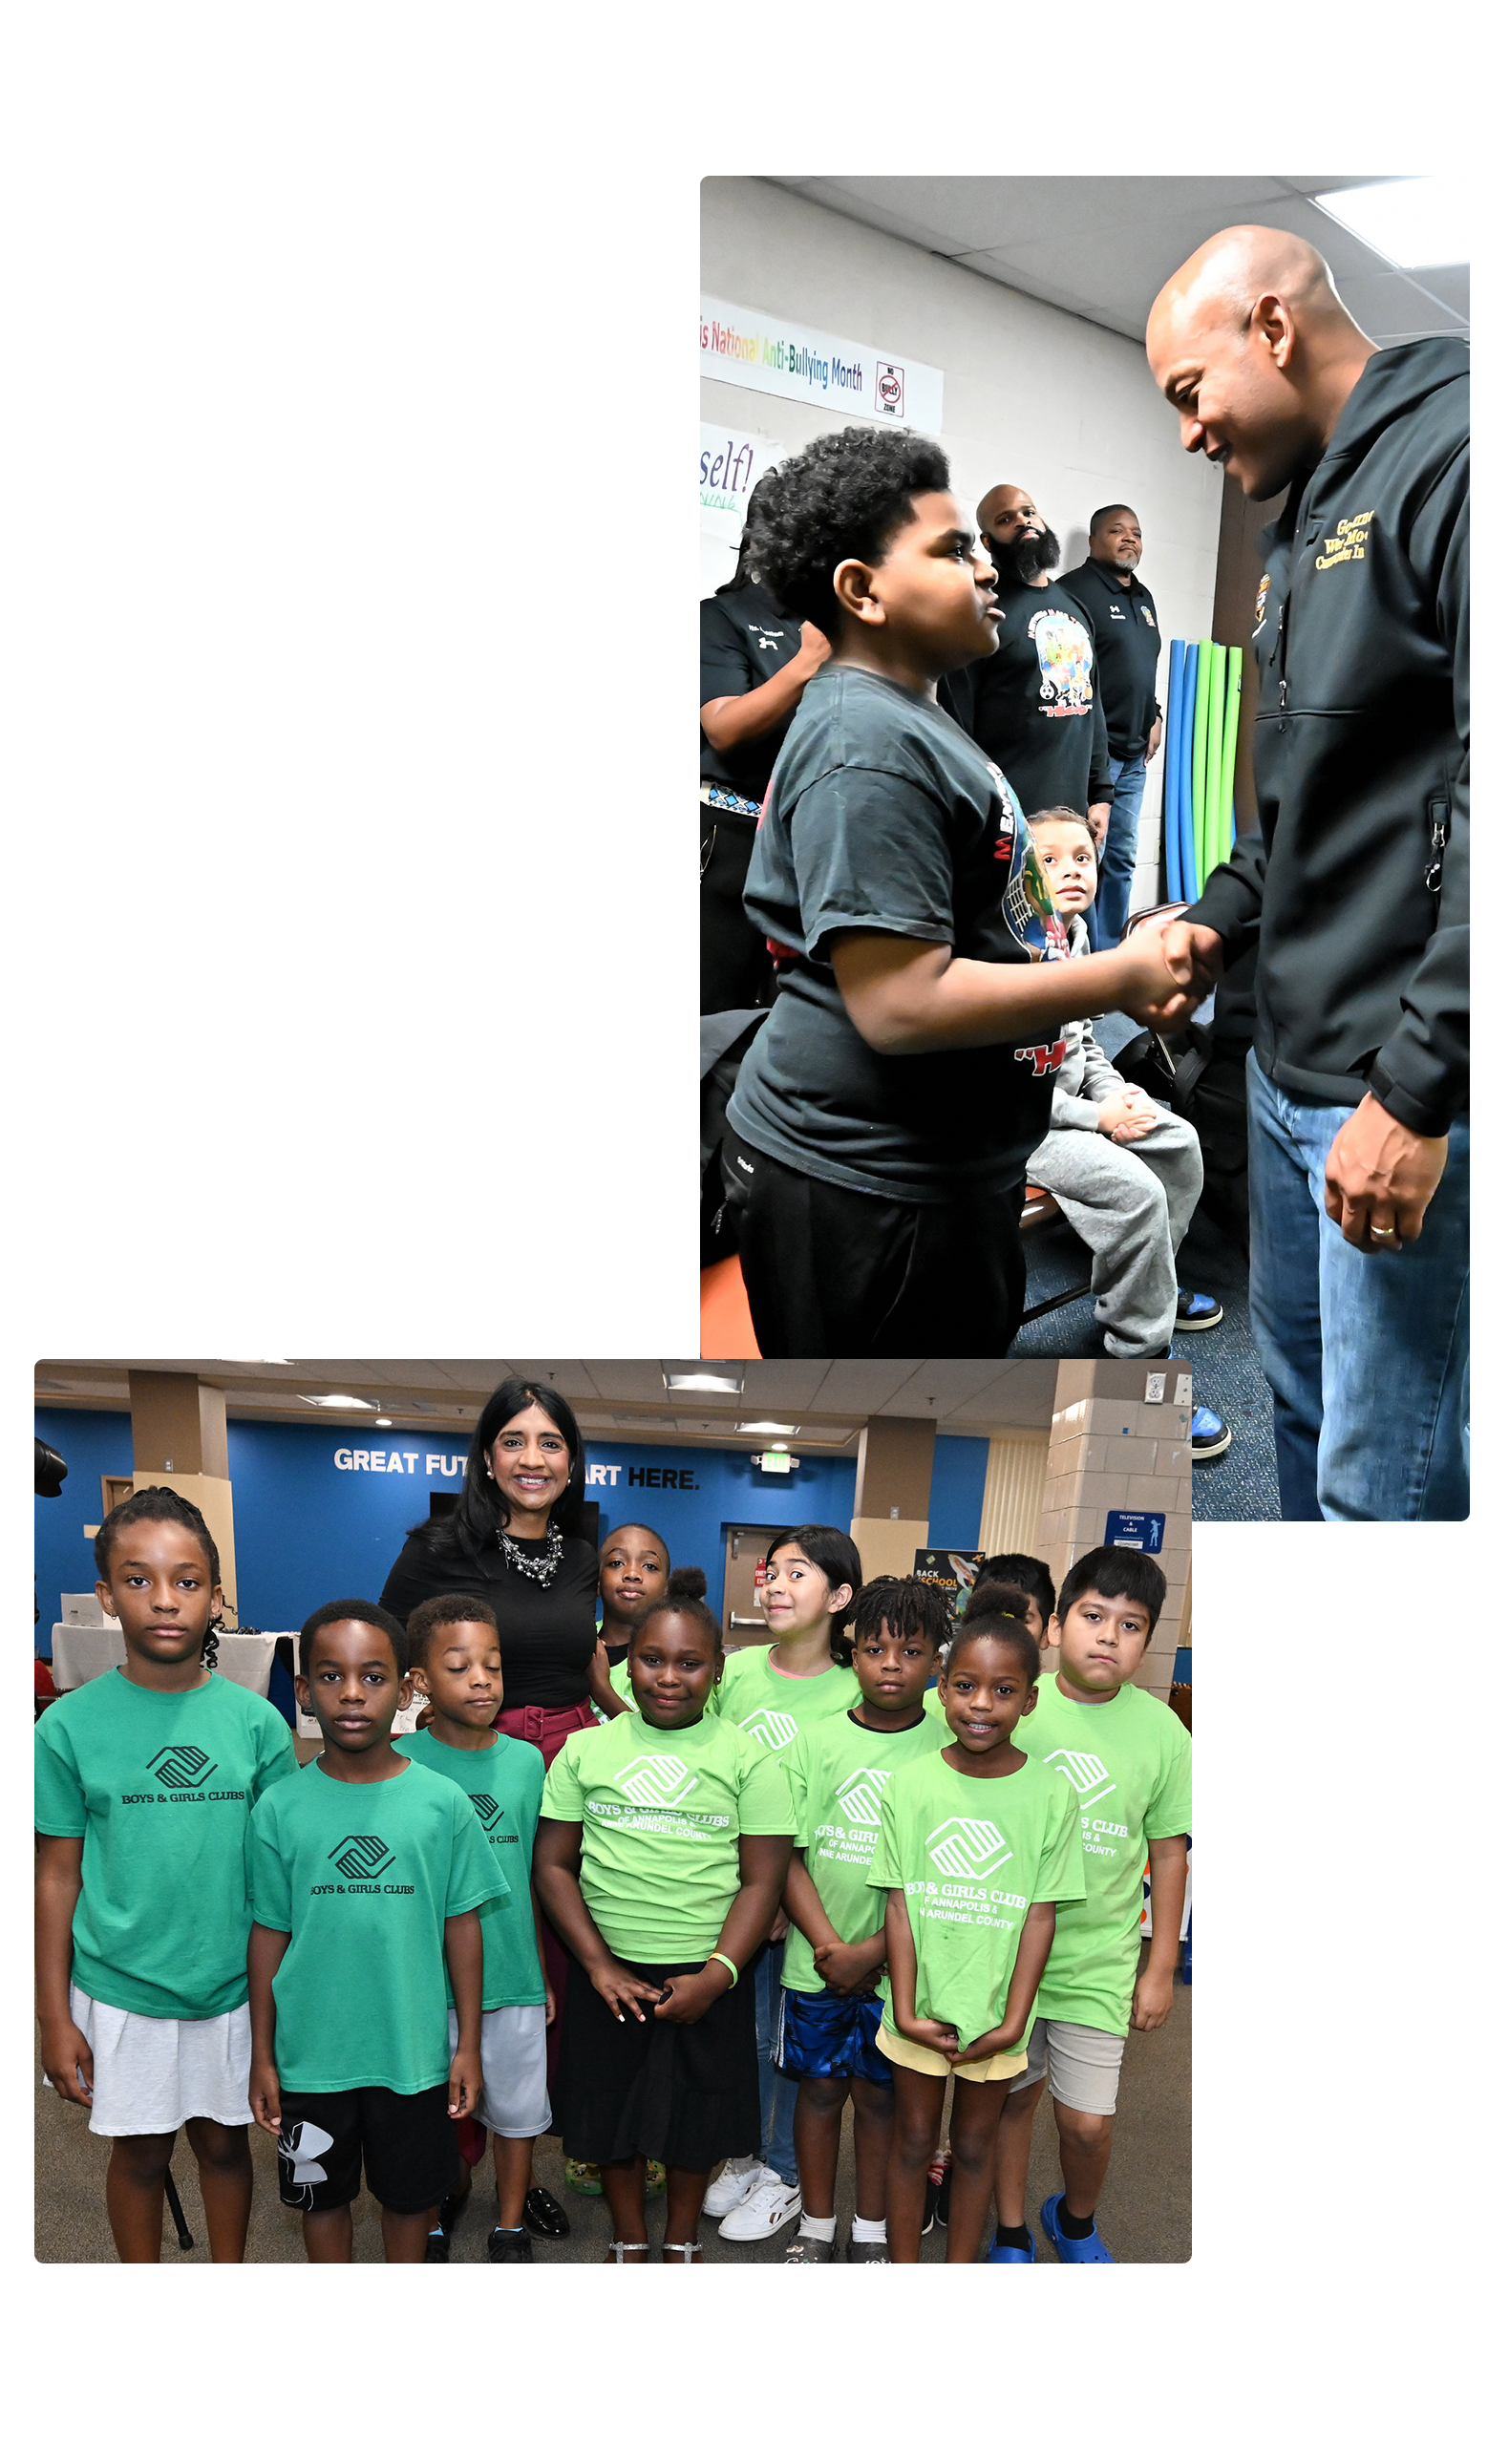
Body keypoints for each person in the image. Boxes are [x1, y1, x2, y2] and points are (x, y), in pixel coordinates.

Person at [724, 424, 1203, 1354]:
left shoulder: (914, 716)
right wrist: (1116, 976)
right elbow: (900, 1004)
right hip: (865, 1185)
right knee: (889, 1466)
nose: (986, 570)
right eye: (951, 550)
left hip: (947, 1163)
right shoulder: (865, 742)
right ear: (862, 590)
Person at [1143, 225, 1468, 1519]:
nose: (1186, 436)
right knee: (1304, 1421)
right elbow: (1303, 799)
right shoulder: (1304, 510)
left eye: (1188, 393)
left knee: (1384, 1488)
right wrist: (1215, 921)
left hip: (1389, 1085)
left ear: (1270, 328)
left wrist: (1422, 1084)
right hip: (1285, 1071)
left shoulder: (1456, 450)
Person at [34, 1487, 297, 2263]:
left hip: (231, 1986)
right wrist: (53, 2016)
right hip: (122, 1987)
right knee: (141, 2157)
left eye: (186, 1581)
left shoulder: (257, 1723)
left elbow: (283, 1877)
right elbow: (55, 1876)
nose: (164, 1600)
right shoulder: (67, 1725)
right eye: (138, 1579)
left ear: (216, 1598)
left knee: (224, 2149)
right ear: (107, 1594)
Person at [379, 1376, 611, 2235]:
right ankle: (450, 2164)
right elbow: (381, 1648)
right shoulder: (439, 1545)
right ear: (487, 1455)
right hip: (469, 1765)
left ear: (571, 1460)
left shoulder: (584, 1553)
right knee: (455, 1952)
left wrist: (627, 1733)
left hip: (563, 1768)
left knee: (547, 1972)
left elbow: (586, 1661)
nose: (533, 1459)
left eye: (550, 1443)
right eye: (515, 1441)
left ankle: (524, 2145)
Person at [533, 1573, 795, 2262]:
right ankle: (630, 2237)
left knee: (694, 2126)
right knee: (611, 2122)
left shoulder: (747, 1758)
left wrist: (719, 1974)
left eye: (689, 1663)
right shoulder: (588, 1749)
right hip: (609, 1976)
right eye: (652, 1660)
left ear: (717, 1669)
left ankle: (680, 2241)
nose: (668, 1677)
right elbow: (554, 1865)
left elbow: (763, 1879)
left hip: (708, 1976)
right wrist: (597, 1965)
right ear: (626, 1663)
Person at [246, 1600, 499, 2263]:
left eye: (374, 1676)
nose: (352, 1693)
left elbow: (463, 1927)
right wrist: (263, 2053)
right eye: (330, 1677)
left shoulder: (442, 1803)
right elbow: (269, 1935)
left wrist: (466, 2045)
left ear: (408, 1689)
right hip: (311, 2059)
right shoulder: (279, 1808)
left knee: (411, 2200)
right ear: (302, 1691)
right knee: (321, 2201)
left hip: (411, 2057)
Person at [993, 1544, 1191, 2263]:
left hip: (1097, 1963)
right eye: (1093, 1615)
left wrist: (1160, 1964)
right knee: (1010, 2100)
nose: (1109, 1635)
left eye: (1131, 1624)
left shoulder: (1162, 1733)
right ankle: (1009, 2229)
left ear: (1147, 1641)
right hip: (1003, 1959)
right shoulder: (1014, 1702)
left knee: (1085, 2123)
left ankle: (1072, 2220)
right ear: (1053, 1626)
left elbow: (1170, 1852)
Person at [869, 1605, 1084, 2263]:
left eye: (1003, 1689)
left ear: (1030, 1699)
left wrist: (1015, 2019)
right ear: (942, 1688)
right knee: (910, 2143)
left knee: (975, 2149)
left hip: (998, 2014)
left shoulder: (1052, 1794)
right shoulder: (909, 1786)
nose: (981, 1704)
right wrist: (904, 2009)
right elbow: (899, 1907)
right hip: (918, 2007)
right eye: (965, 1686)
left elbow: (1040, 1915)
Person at [778, 1575, 952, 2263]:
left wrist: (874, 1953)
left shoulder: (949, 1749)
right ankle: (817, 2224)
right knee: (819, 2092)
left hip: (903, 1973)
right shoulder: (813, 1744)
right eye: (875, 1649)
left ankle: (873, 2228)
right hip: (816, 1959)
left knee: (882, 2101)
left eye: (910, 1652)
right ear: (852, 1654)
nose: (890, 1664)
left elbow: (944, 1878)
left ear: (937, 1661)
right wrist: (829, 1943)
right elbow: (783, 1854)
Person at [702, 1523, 862, 2244]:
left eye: (799, 1574)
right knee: (740, 2034)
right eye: (773, 1572)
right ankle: (744, 2148)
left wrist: (783, 1901)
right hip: (730, 1888)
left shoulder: (858, 1688)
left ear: (841, 1596)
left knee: (785, 2039)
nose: (776, 1584)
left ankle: (786, 2171)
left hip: (806, 1895)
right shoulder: (735, 1673)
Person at [1026, 807, 1222, 1363]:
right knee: (1137, 1193)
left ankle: (1148, 1284)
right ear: (1020, 873)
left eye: (1082, 857)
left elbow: (1082, 1042)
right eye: (1051, 860)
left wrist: (1112, 1093)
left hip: (1074, 1108)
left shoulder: (1076, 935)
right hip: (1025, 1125)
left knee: (1179, 1143)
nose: (1072, 871)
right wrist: (1096, 1118)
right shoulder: (1008, 957)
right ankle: (1138, 1352)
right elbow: (1006, 1088)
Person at [401, 1595, 554, 2264]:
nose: (483, 1679)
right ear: (420, 1682)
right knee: (432, 2113)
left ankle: (511, 2221)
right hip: (426, 1984)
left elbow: (531, 1878)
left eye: (492, 1665)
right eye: (460, 1667)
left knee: (518, 2116)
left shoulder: (526, 1763)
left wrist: (543, 1975)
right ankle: (433, 2216)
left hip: (513, 1975)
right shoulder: (399, 1759)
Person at [701, 474, 831, 1011]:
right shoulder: (721, 616)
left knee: (791, 1014)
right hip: (730, 839)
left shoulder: (837, 619)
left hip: (811, 843)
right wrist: (808, 662)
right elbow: (723, 727)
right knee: (715, 1009)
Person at [940, 483, 1114, 839]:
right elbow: (956, 726)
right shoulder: (982, 614)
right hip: (1009, 822)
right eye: (1006, 519)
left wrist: (1101, 795)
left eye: (1028, 512)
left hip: (1074, 819)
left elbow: (1091, 705)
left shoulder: (1075, 607)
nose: (1022, 521)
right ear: (987, 542)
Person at [1058, 507, 1164, 949]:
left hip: (1135, 751)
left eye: (1136, 533)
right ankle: (1080, 959)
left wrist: (1155, 712)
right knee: (1085, 858)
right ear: (1093, 540)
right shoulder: (1073, 593)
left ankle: (1110, 953)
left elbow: (1140, 664)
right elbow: (1071, 678)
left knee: (1121, 857)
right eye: (1117, 531)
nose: (1129, 539)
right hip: (1094, 757)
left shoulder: (1143, 596)